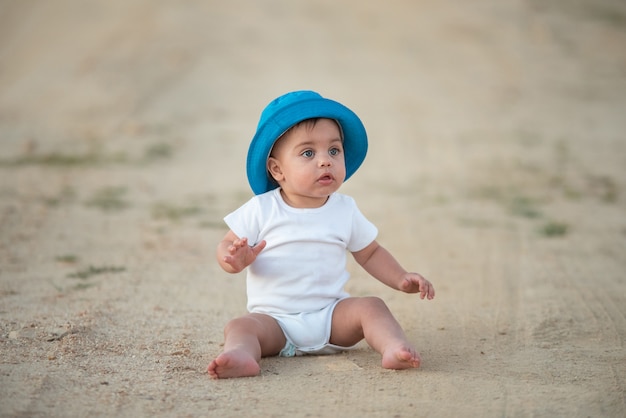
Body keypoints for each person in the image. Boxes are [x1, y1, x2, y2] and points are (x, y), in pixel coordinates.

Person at [207, 90, 435, 379]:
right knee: (240, 326)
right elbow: (227, 244)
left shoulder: (345, 209)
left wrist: (400, 278)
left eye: (334, 151)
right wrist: (233, 260)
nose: (325, 161)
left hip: (332, 318)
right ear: (277, 169)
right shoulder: (261, 208)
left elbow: (371, 252)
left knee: (371, 307)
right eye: (308, 153)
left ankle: (394, 347)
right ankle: (241, 355)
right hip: (275, 322)